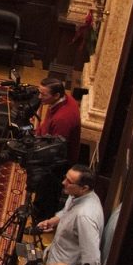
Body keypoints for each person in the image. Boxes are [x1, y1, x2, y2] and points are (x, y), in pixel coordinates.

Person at [37, 164, 104, 265]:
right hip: (54, 257)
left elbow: (92, 264)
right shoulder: (76, 194)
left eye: (69, 181)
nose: (63, 182)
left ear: (84, 188)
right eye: (65, 177)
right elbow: (67, 211)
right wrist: (55, 220)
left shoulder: (85, 217)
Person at [34, 77, 82, 219]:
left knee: (47, 192)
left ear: (56, 95)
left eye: (43, 94)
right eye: (39, 92)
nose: (39, 97)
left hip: (56, 162)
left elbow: (53, 149)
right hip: (54, 151)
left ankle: (41, 220)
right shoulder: (64, 99)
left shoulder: (63, 119)